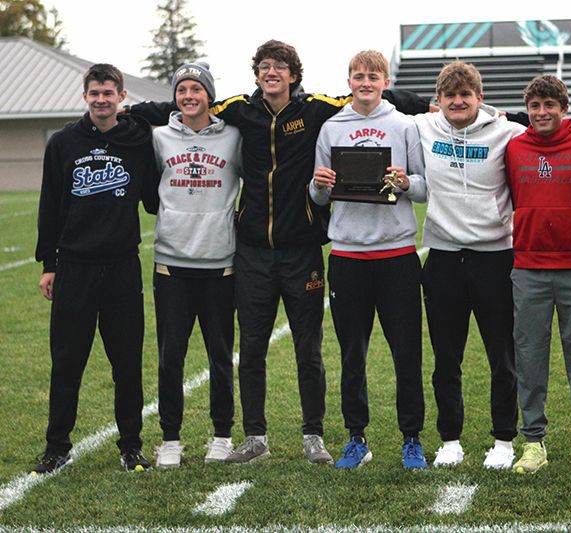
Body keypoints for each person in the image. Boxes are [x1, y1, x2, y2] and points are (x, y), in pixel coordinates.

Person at [129, 40, 429, 464]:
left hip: (302, 248)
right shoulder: (238, 110)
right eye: (265, 66)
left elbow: (372, 95)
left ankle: (313, 435)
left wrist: (428, 105)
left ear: (293, 74)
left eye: (280, 67)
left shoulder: (317, 110)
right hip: (251, 251)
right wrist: (131, 111)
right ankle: (255, 436)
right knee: (251, 347)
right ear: (257, 74)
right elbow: (189, 103)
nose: (272, 73)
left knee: (309, 347)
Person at [32, 63, 158, 474]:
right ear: (84, 96)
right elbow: (50, 206)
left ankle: (131, 446)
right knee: (67, 362)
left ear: (122, 96)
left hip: (121, 268)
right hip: (74, 267)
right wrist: (49, 264)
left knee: (127, 364)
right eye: (94, 93)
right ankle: (57, 446)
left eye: (109, 93)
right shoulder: (64, 143)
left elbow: (154, 200)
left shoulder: (138, 140)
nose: (101, 100)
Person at [310, 50, 427, 469]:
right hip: (347, 255)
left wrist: (406, 181)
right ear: (348, 80)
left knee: (406, 352)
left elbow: (424, 187)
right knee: (351, 354)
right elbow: (319, 194)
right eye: (358, 76)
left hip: (396, 254)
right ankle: (356, 437)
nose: (365, 82)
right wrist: (318, 185)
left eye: (373, 76)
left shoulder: (403, 125)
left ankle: (411, 438)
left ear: (385, 79)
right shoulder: (331, 127)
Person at [413, 61, 524, 469]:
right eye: (449, 95)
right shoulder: (423, 127)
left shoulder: (508, 131)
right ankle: (450, 439)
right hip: (443, 258)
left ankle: (504, 440)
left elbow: (551, 126)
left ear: (480, 96)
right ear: (438, 100)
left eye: (466, 94)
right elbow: (383, 105)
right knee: (446, 358)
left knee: (503, 355)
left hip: (496, 256)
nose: (458, 101)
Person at [504, 75, 571, 476]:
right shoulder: (514, 147)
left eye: (550, 105)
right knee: (529, 358)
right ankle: (533, 442)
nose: (542, 112)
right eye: (535, 106)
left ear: (564, 109)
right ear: (527, 110)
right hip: (528, 267)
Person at [150, 63, 242, 468]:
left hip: (219, 262)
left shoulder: (234, 137)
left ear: (209, 95)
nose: (189, 96)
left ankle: (222, 434)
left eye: (196, 89)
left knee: (220, 354)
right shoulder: (158, 137)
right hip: (171, 262)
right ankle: (170, 438)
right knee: (171, 355)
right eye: (182, 89)